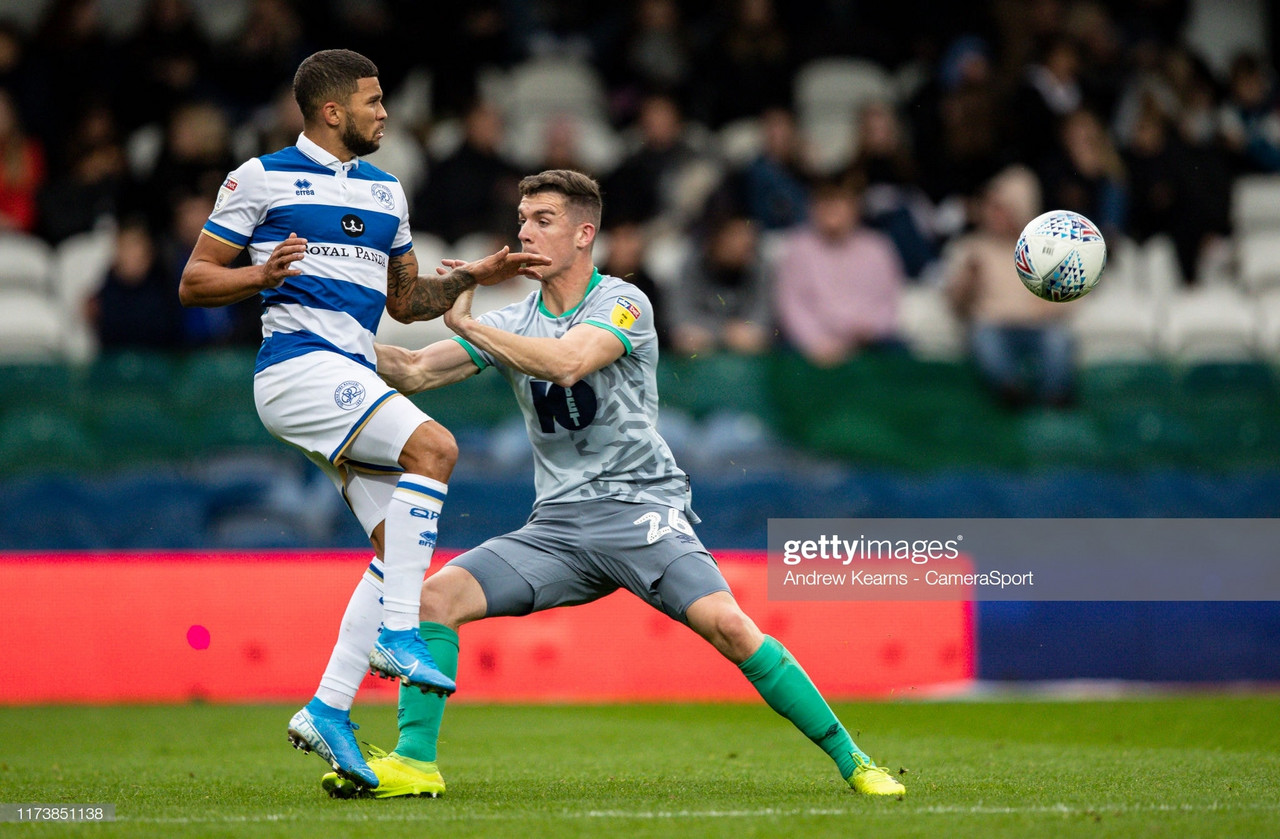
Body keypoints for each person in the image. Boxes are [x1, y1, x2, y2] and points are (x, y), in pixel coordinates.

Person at [322, 169, 906, 799]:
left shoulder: (623, 301)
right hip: (557, 529)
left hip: (639, 511)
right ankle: (415, 763)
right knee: (435, 599)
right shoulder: (515, 316)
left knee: (732, 628)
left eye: (543, 219)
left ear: (584, 233)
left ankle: (854, 761)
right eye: (522, 218)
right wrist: (317, 331)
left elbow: (570, 363)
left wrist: (469, 325)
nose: (526, 230)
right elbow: (411, 369)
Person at [177, 49, 550, 790]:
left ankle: (328, 706)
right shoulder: (260, 177)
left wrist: (474, 276)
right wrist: (260, 274)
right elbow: (194, 281)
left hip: (347, 373)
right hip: (297, 370)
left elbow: (405, 304)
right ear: (331, 111)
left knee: (394, 543)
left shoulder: (386, 192)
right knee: (435, 447)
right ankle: (401, 633)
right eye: (374, 102)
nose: (386, 113)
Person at [944, 165, 1073, 408]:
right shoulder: (971, 248)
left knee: (1059, 339)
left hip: (1037, 325)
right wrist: (968, 282)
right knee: (983, 340)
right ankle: (1010, 392)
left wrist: (1048, 306)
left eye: (1002, 208)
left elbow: (1072, 294)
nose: (994, 215)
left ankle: (1056, 397)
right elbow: (954, 304)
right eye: (991, 207)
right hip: (993, 324)